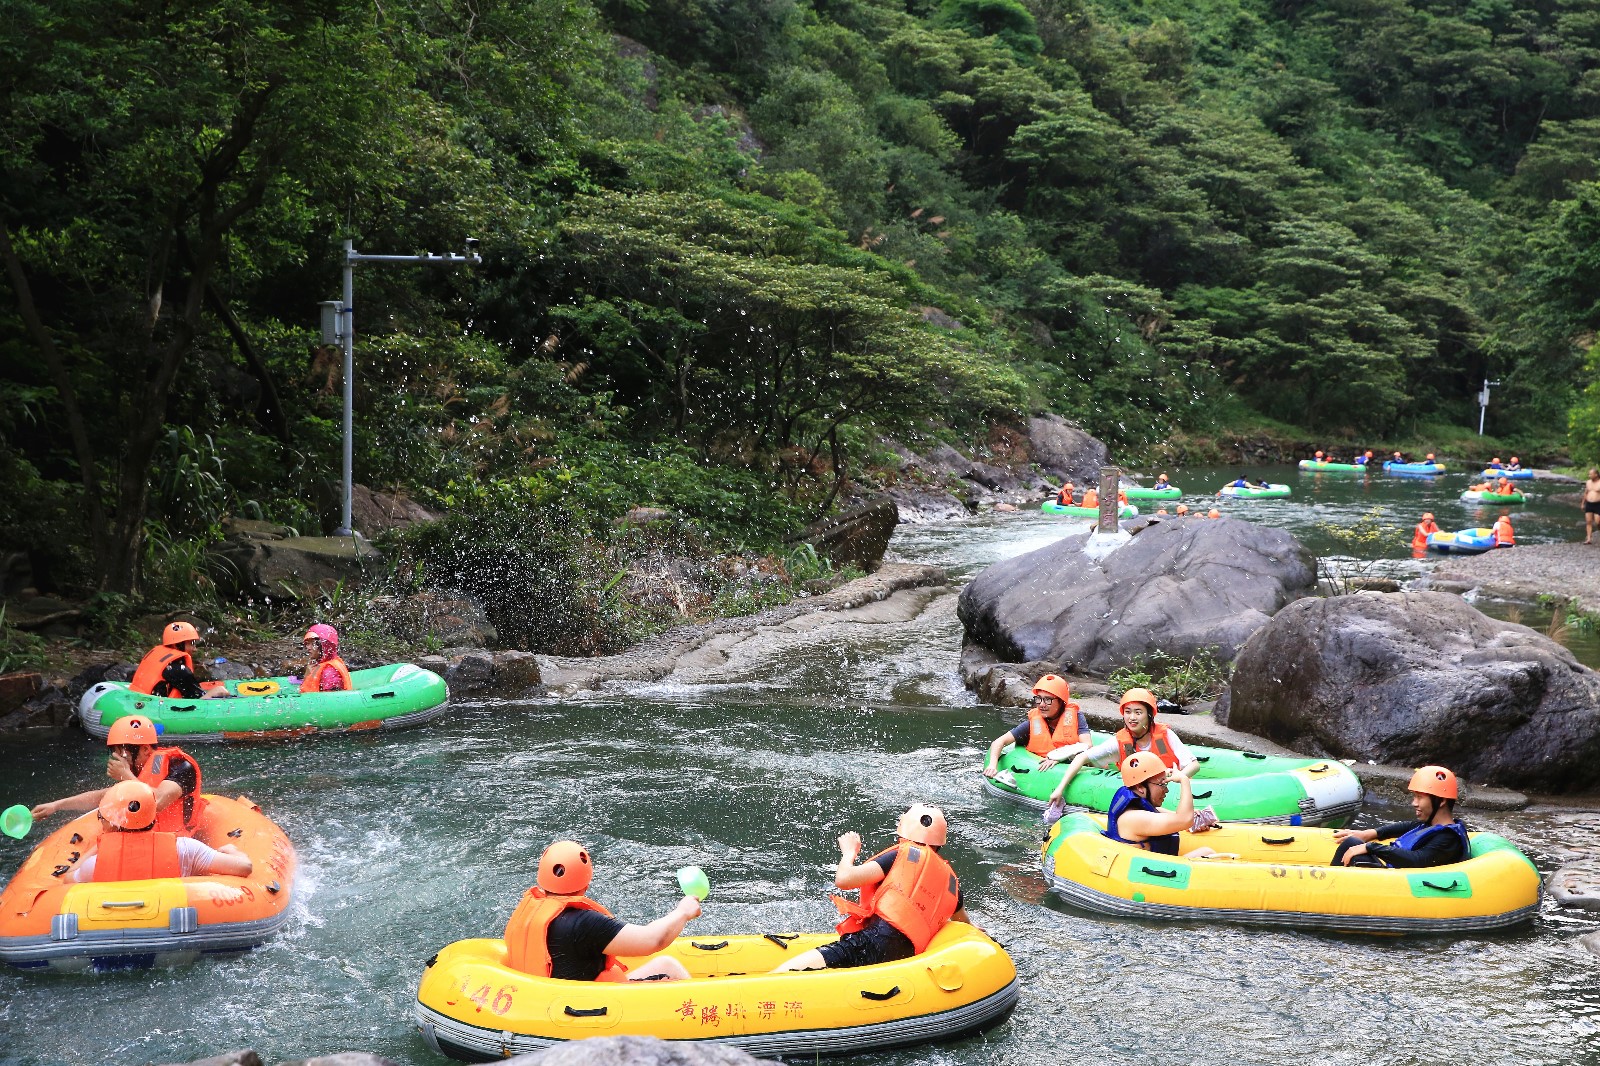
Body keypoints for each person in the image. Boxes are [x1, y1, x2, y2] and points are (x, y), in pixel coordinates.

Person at [772, 804, 971, 973]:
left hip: (872, 943)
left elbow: (844, 879)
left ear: (903, 829)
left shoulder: (901, 855)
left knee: (782, 974)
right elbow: (965, 925)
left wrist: (849, 852)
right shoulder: (952, 884)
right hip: (903, 958)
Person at [503, 840, 701, 982]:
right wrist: (683, 912)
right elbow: (652, 940)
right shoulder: (584, 923)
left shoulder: (528, 910)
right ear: (586, 879)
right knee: (669, 966)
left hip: (547, 1002)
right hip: (592, 1008)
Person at [31, 715, 204, 836]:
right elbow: (102, 796)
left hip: (176, 839)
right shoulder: (138, 771)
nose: (118, 757)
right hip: (146, 836)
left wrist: (126, 775)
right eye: (115, 752)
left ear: (144, 749)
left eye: (123, 751)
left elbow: (158, 801)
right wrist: (57, 805)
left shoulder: (181, 767)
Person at [1044, 688, 1200, 812]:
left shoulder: (1166, 735)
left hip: (1170, 788)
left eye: (1138, 712)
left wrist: (1178, 778)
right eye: (1128, 712)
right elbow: (1082, 758)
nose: (1132, 717)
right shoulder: (1120, 741)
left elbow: (1194, 765)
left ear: (1149, 715)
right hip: (1143, 794)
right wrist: (1060, 789)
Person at [70, 781, 252, 883]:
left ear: (112, 825)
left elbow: (67, 881)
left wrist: (99, 846)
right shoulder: (186, 849)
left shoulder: (94, 865)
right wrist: (231, 849)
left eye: (102, 818)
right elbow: (244, 867)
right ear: (154, 814)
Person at [1331, 766, 1469, 868]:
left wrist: (1371, 847)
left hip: (1403, 889)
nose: (1414, 803)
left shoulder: (1448, 839)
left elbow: (1418, 859)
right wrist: (1369, 833)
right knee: (1353, 842)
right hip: (1398, 876)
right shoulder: (1432, 826)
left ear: (1442, 801)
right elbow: (1406, 826)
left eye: (1420, 797)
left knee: (1352, 845)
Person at [1101, 752, 1218, 857]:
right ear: (1140, 787)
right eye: (1162, 784)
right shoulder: (1133, 818)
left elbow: (1185, 819)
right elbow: (1185, 819)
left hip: (1153, 867)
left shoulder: (1142, 809)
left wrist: (1198, 820)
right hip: (1147, 876)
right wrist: (1184, 780)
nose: (1166, 790)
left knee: (1207, 852)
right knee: (1207, 852)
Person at [983, 674, 1090, 778]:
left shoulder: (1075, 717)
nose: (1042, 704)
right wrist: (992, 765)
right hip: (1039, 769)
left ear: (1061, 702)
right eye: (1039, 698)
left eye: (1048, 700)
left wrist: (1059, 757)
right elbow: (999, 742)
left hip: (1072, 765)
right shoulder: (1033, 724)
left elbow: (1087, 745)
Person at [129, 621, 229, 700]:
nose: (195, 649)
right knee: (220, 690)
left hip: (139, 696)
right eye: (191, 643)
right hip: (153, 707)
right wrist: (218, 691)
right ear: (178, 644)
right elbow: (199, 699)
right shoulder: (178, 670)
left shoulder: (160, 655)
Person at [300, 623, 353, 693]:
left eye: (313, 644)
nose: (308, 648)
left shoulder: (330, 671)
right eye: (307, 643)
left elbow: (330, 700)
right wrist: (307, 674)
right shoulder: (320, 664)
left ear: (325, 646)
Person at [1583, 469, 1600, 544]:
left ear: (1596, 474)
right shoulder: (1588, 482)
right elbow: (1586, 492)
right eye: (1589, 474)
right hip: (1589, 504)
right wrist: (1583, 503)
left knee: (1597, 522)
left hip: (1598, 504)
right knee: (1588, 521)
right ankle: (1589, 539)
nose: (1589, 475)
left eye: (1590, 474)